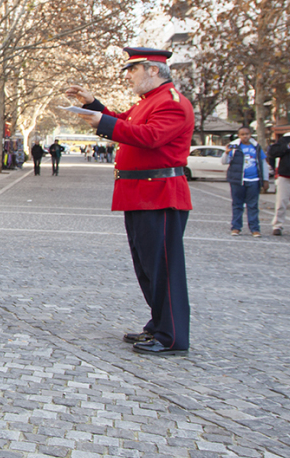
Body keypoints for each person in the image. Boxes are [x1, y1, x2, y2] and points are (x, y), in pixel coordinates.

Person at [66, 47, 193, 356]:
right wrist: (93, 106)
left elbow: (148, 136)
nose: (128, 77)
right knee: (147, 267)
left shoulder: (172, 103)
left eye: (133, 70)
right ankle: (159, 324)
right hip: (140, 192)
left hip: (159, 192)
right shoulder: (150, 101)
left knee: (163, 267)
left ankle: (172, 336)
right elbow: (125, 122)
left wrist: (101, 120)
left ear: (153, 70)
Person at [222, 126, 269, 237]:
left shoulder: (256, 147)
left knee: (252, 205)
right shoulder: (235, 147)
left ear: (250, 134)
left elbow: (263, 163)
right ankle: (236, 227)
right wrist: (226, 152)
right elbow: (224, 162)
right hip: (237, 180)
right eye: (242, 134)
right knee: (237, 204)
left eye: (247, 134)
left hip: (253, 180)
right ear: (239, 135)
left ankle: (254, 228)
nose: (245, 136)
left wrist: (265, 179)